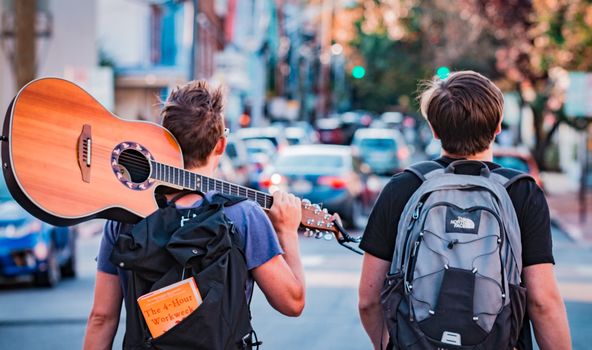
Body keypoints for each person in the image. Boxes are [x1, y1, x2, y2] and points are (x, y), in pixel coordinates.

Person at [83, 81, 305, 349]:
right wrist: (288, 232)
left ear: (162, 139)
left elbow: (102, 318)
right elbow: (292, 303)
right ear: (221, 145)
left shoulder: (125, 216)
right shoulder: (243, 215)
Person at [358, 71, 571, 350]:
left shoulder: (403, 188)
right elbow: (543, 302)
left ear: (434, 130)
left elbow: (368, 300)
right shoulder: (521, 192)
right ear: (497, 127)